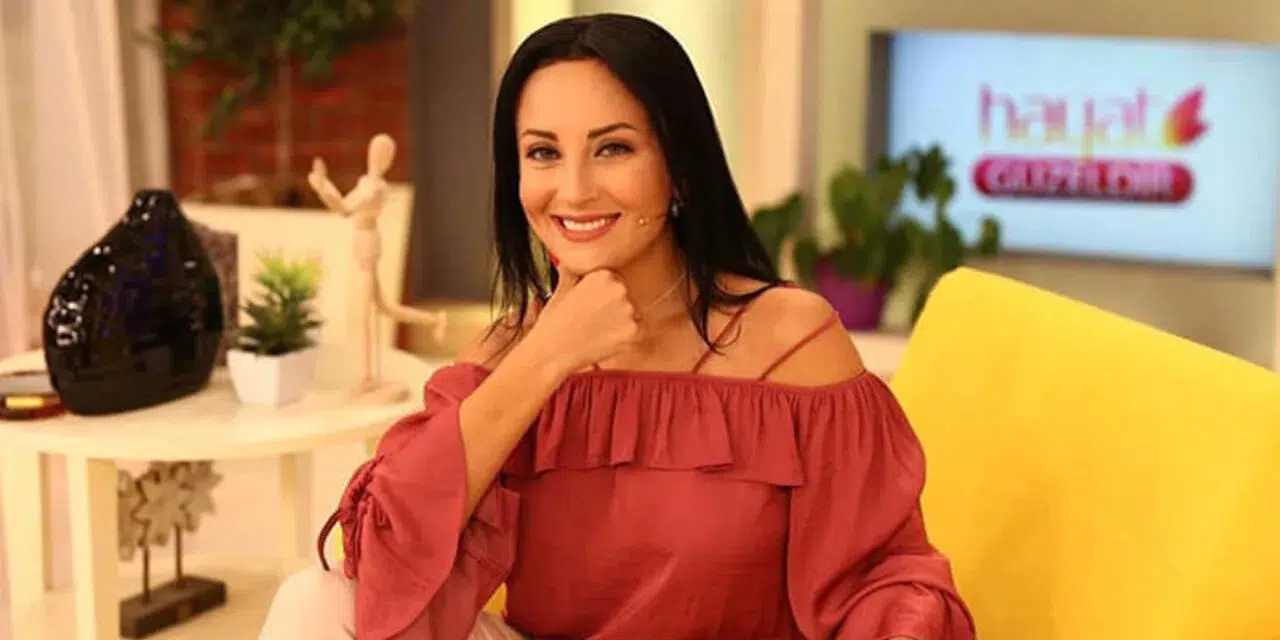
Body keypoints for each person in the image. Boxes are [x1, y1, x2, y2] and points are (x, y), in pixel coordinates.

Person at [259, 12, 974, 640]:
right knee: (312, 602)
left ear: (680, 171)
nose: (572, 191)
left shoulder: (790, 339)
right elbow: (378, 560)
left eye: (613, 148)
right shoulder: (507, 353)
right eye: (543, 152)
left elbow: (884, 574)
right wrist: (547, 355)